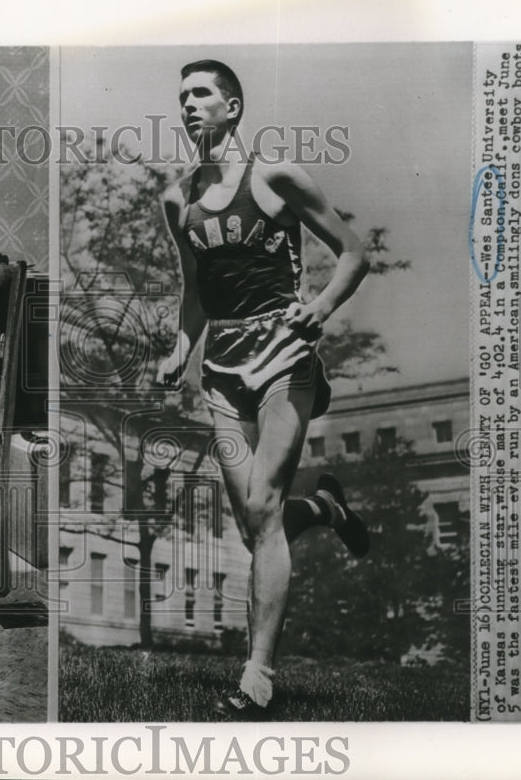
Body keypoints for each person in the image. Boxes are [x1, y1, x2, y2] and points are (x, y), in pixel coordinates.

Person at [156, 60, 370, 719]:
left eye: (202, 94)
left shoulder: (276, 178)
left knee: (266, 504)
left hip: (285, 357)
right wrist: (179, 348)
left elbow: (355, 252)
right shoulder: (178, 198)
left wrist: (323, 307)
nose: (189, 105)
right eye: (182, 96)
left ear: (233, 106)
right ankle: (327, 508)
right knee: (255, 522)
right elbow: (196, 294)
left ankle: (258, 676)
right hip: (221, 370)